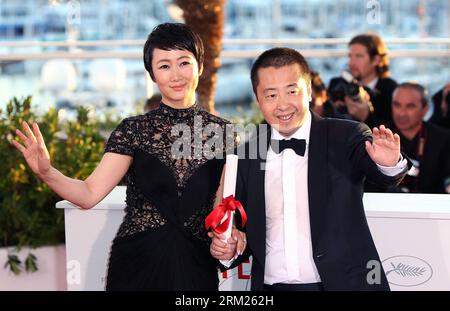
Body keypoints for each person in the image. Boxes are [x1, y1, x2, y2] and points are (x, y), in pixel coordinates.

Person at [12, 23, 244, 291]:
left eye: (184, 62)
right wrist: (47, 172)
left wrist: (228, 238)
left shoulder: (224, 133)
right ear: (153, 75)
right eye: (164, 66)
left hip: (195, 267)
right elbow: (88, 193)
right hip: (137, 265)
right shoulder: (134, 131)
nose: (176, 75)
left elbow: (222, 212)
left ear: (200, 66)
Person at [210, 48, 409, 291]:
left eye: (292, 91)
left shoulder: (346, 136)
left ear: (309, 91)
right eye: (271, 95)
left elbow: (383, 177)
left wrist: (388, 163)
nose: (283, 105)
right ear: (258, 98)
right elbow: (235, 226)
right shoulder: (247, 153)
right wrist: (229, 247)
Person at [388, 82, 450, 193]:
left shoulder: (443, 139)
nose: (402, 113)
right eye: (397, 105)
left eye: (410, 106)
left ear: (425, 109)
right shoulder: (380, 136)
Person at [328, 33, 397, 127]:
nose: (351, 63)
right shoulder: (337, 84)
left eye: (359, 56)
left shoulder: (391, 90)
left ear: (376, 60)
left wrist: (366, 116)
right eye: (350, 56)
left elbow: (393, 132)